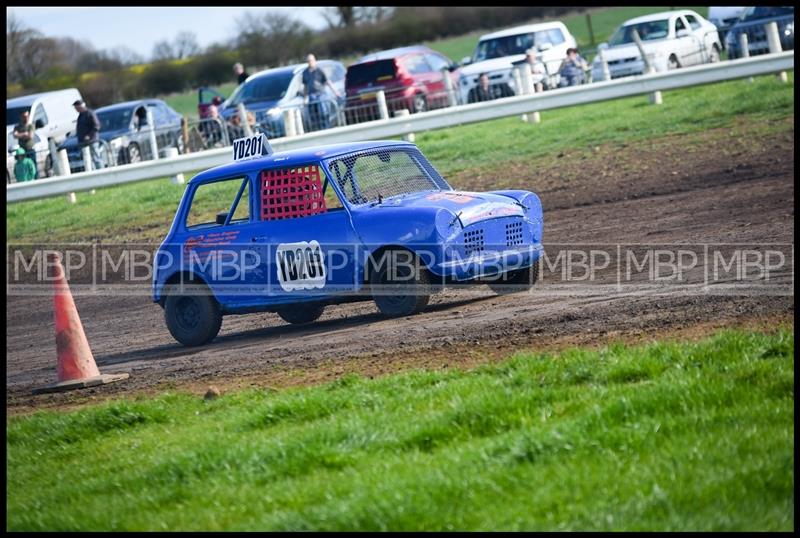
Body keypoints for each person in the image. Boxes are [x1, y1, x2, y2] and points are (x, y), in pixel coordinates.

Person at [302, 53, 340, 131]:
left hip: (320, 95)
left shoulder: (320, 70)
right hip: (311, 96)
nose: (310, 62)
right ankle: (318, 130)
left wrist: (335, 92)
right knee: (314, 115)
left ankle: (326, 129)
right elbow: (305, 86)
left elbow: (327, 82)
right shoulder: (305, 72)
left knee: (323, 113)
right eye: (308, 61)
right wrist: (305, 98)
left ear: (315, 61)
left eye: (311, 60)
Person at [73, 99, 105, 170]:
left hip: (91, 141)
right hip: (83, 142)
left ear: (80, 107)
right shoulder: (81, 115)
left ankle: (101, 172)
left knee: (96, 158)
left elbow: (97, 126)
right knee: (88, 161)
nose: (76, 109)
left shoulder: (90, 113)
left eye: (76, 108)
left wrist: (89, 135)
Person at [12, 110, 37, 178]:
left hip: (30, 150)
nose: (26, 118)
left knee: (33, 167)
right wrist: (25, 134)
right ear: (21, 117)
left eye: (27, 116)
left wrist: (19, 134)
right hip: (22, 152)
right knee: (24, 168)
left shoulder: (30, 125)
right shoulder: (17, 127)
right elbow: (14, 135)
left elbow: (30, 136)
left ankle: (36, 180)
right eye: (24, 116)